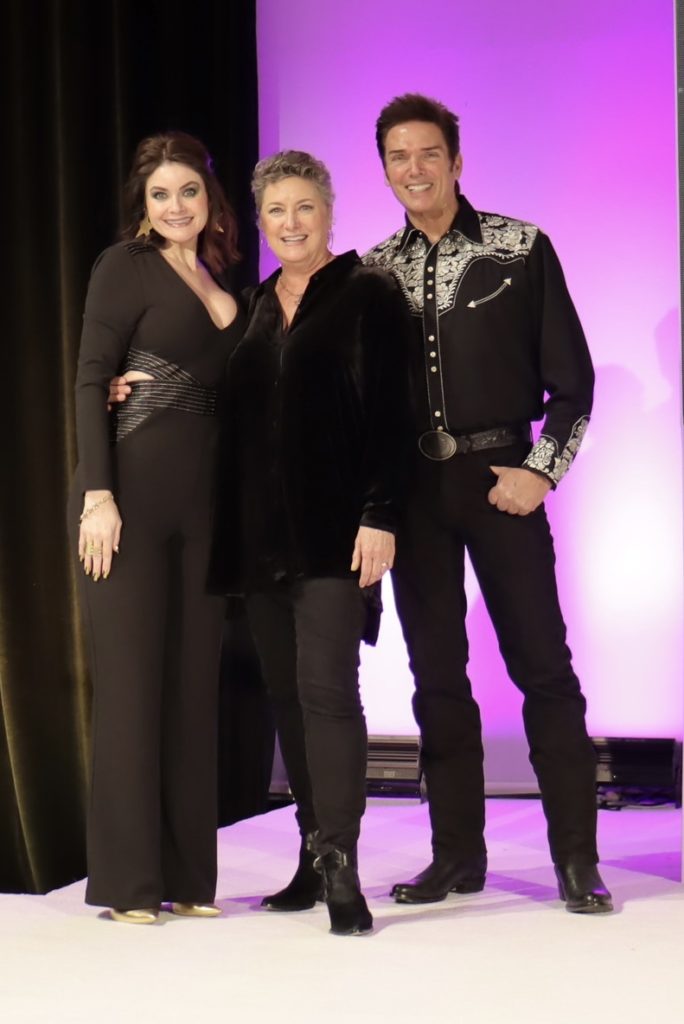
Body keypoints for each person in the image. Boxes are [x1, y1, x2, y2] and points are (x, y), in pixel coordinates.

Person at [363, 93, 612, 914]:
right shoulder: (371, 272)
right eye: (398, 156)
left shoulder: (521, 247)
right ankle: (456, 858)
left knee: (544, 669)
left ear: (457, 160)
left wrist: (537, 472)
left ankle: (577, 860)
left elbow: (573, 387)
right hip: (415, 496)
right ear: (385, 168)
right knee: (435, 677)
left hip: (502, 482)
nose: (414, 169)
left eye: (428, 153)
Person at [210, 150, 413, 935]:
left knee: (330, 694)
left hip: (337, 534)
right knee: (288, 697)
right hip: (261, 540)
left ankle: (343, 865)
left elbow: (395, 415)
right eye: (275, 211)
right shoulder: (256, 305)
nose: (290, 223)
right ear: (259, 224)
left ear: (327, 212)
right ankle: (308, 848)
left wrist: (382, 512)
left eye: (304, 207)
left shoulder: (369, 293)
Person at [69, 131, 244, 924]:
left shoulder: (215, 274)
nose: (177, 206)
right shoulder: (123, 266)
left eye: (189, 192)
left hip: (204, 507)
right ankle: (129, 884)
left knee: (190, 688)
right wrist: (98, 495)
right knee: (135, 688)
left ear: (210, 199)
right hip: (131, 499)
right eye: (161, 194)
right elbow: (90, 380)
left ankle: (187, 877)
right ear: (143, 206)